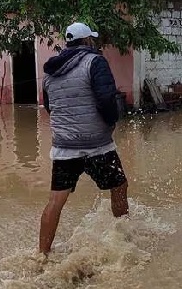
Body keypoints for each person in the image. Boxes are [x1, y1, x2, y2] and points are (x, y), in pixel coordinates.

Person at [38, 22, 128, 256]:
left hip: (64, 147)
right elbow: (107, 99)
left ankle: (42, 255)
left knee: (56, 201)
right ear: (87, 41)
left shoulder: (49, 73)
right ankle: (123, 241)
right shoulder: (95, 62)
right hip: (97, 145)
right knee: (119, 187)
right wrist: (111, 123)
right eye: (92, 40)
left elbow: (50, 107)